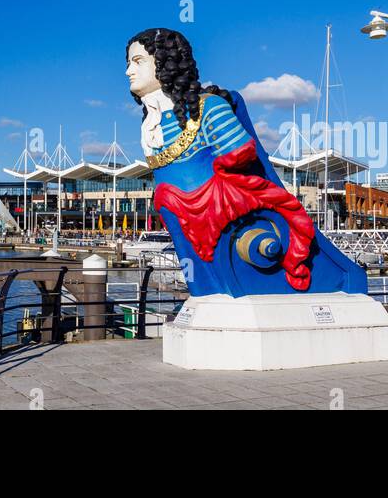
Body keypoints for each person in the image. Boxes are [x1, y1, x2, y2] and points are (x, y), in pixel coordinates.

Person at [125, 28, 366, 297]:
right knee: (170, 208)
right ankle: (206, 293)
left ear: (166, 62)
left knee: (173, 206)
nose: (128, 71)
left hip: (218, 205)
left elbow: (240, 150)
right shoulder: (152, 123)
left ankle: (216, 292)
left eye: (138, 61)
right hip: (181, 211)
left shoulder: (208, 107)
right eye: (128, 63)